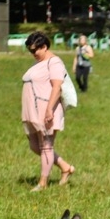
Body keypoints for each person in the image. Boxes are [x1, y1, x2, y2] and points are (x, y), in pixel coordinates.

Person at [21, 31, 75, 191]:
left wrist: (50, 110)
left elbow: (57, 88)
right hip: (32, 111)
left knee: (46, 146)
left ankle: (42, 183)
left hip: (46, 109)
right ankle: (65, 167)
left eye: (34, 50)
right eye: (30, 51)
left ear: (44, 46)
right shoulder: (39, 63)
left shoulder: (54, 62)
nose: (33, 54)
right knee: (35, 146)